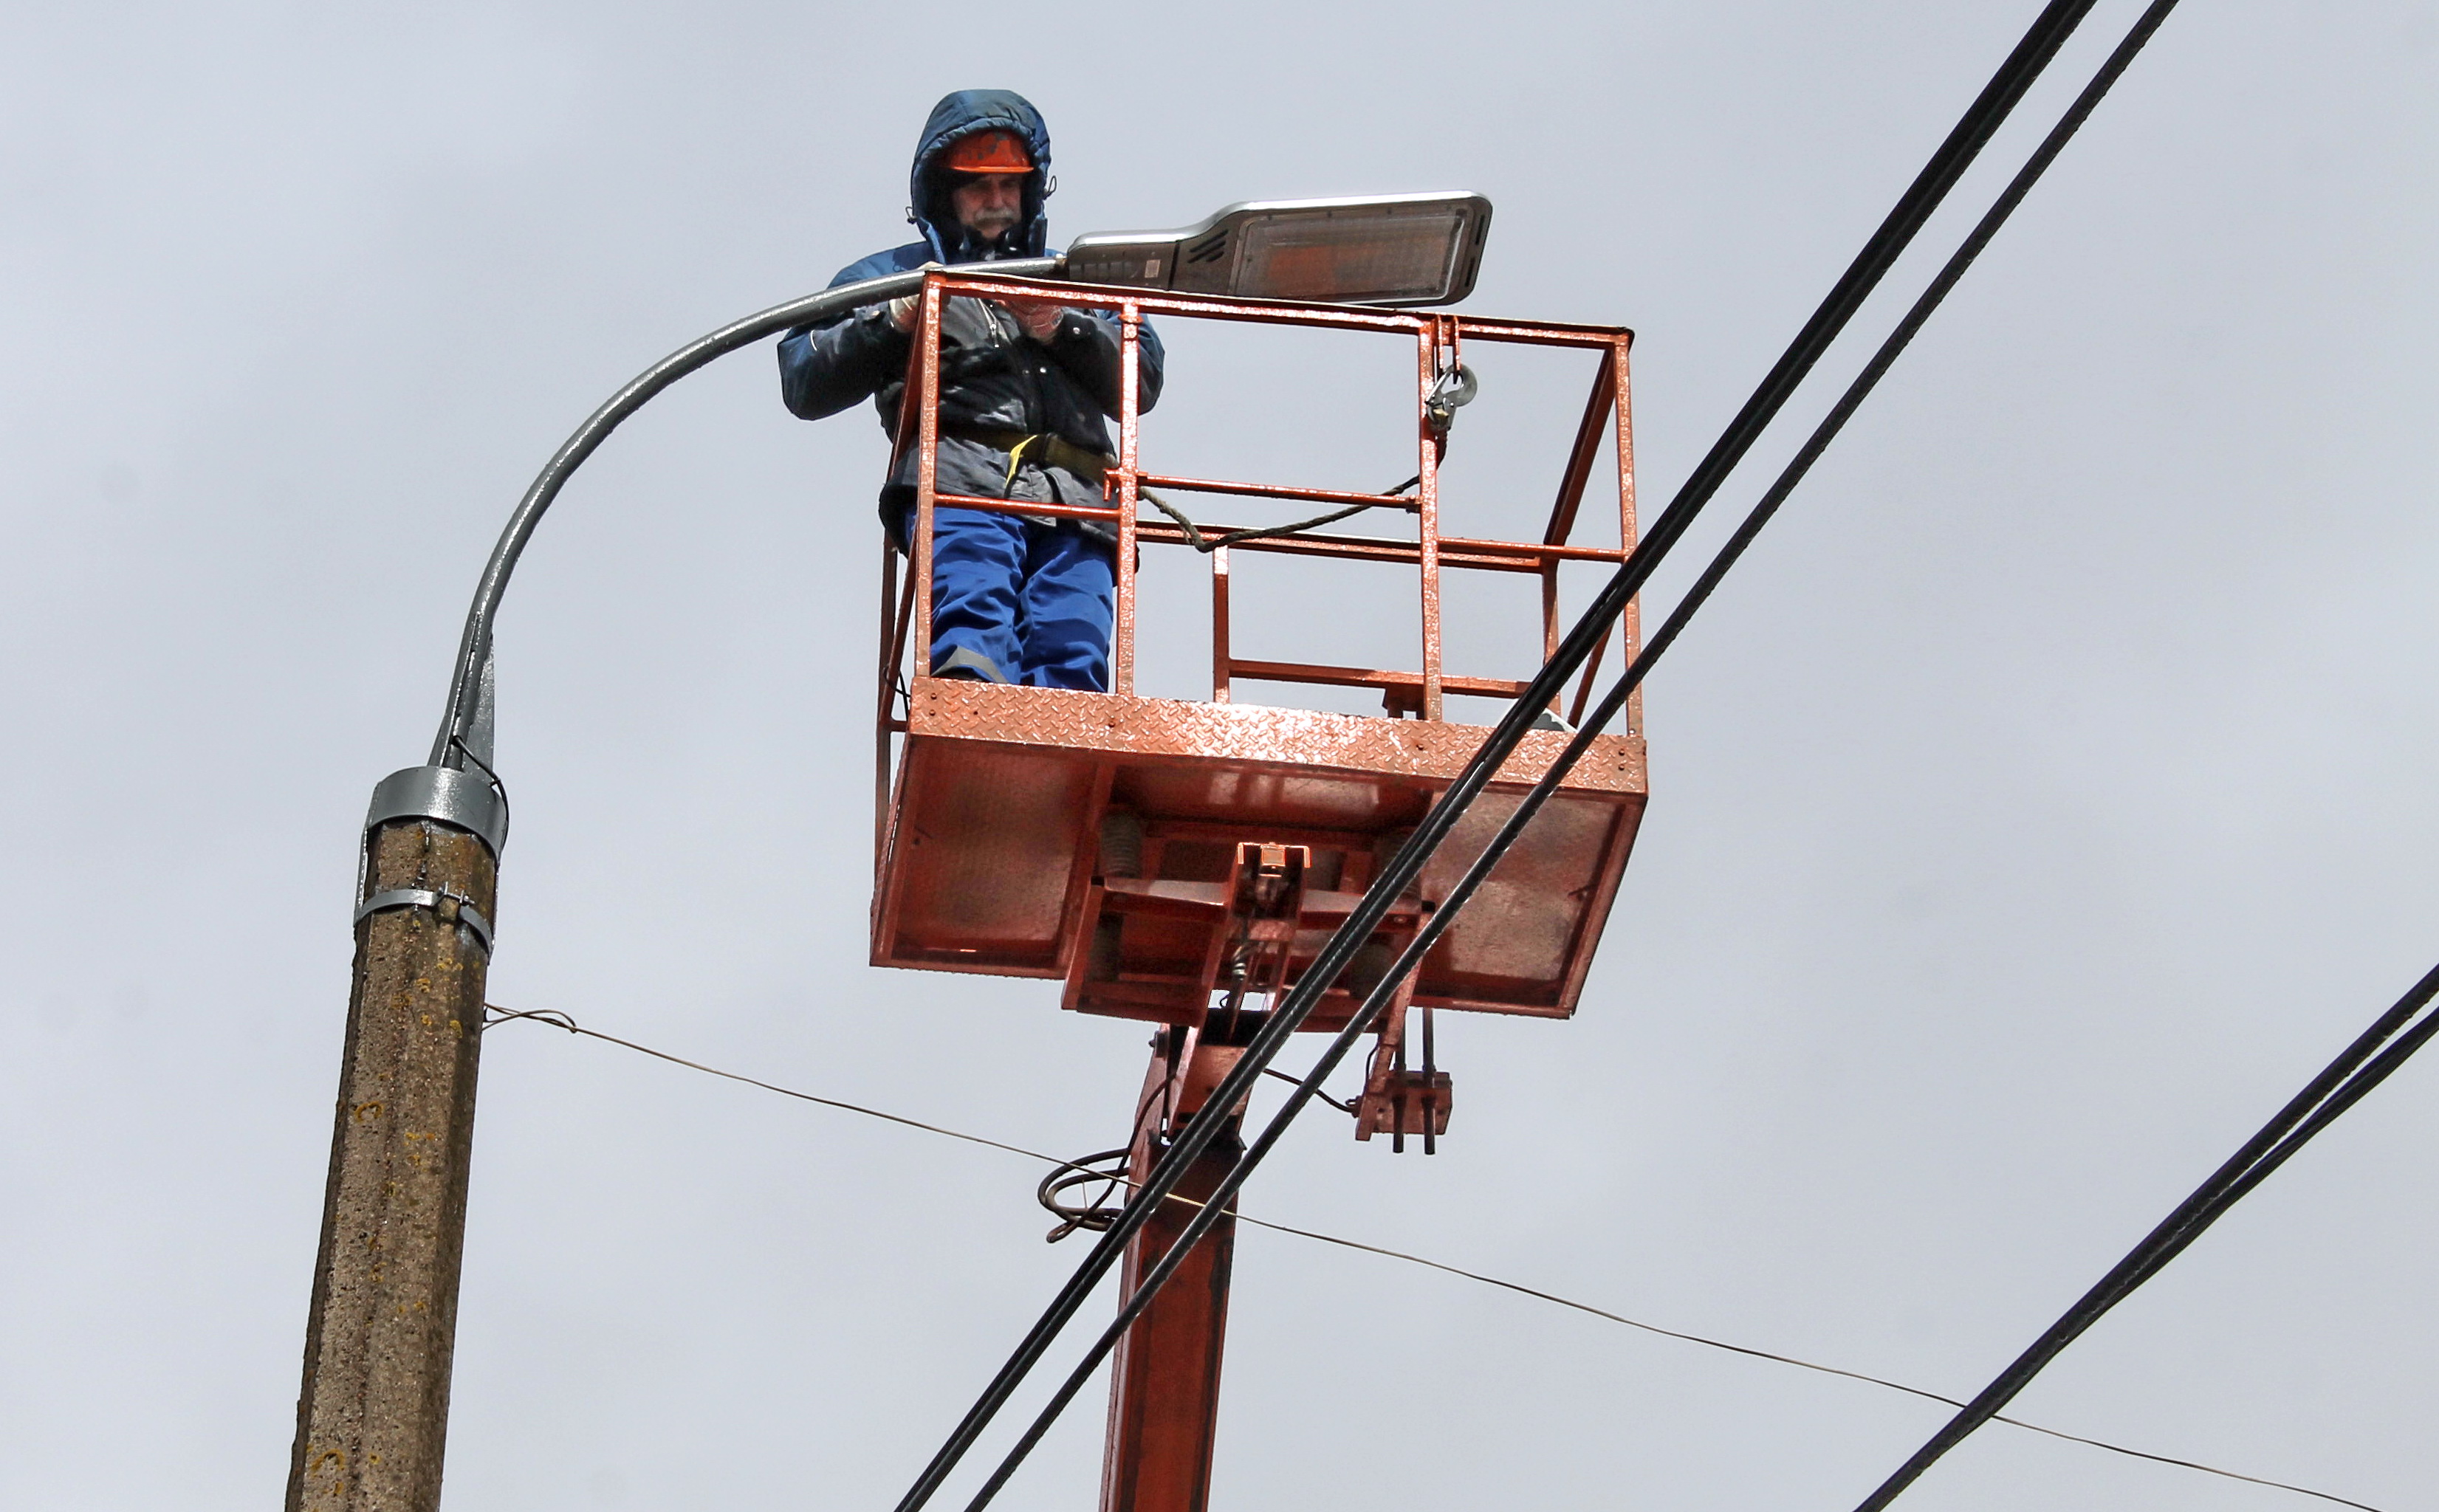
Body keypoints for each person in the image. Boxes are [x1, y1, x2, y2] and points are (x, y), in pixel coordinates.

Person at [778, 89, 1165, 691]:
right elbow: (805, 379)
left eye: (1009, 187)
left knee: (1076, 648)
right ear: (944, 194)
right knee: (972, 625)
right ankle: (972, 714)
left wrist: (1060, 324)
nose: (996, 202)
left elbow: (1139, 382)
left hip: (1078, 498)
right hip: (959, 481)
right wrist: (897, 316)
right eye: (978, 187)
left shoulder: (1076, 278)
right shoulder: (886, 277)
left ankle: (1061, 755)